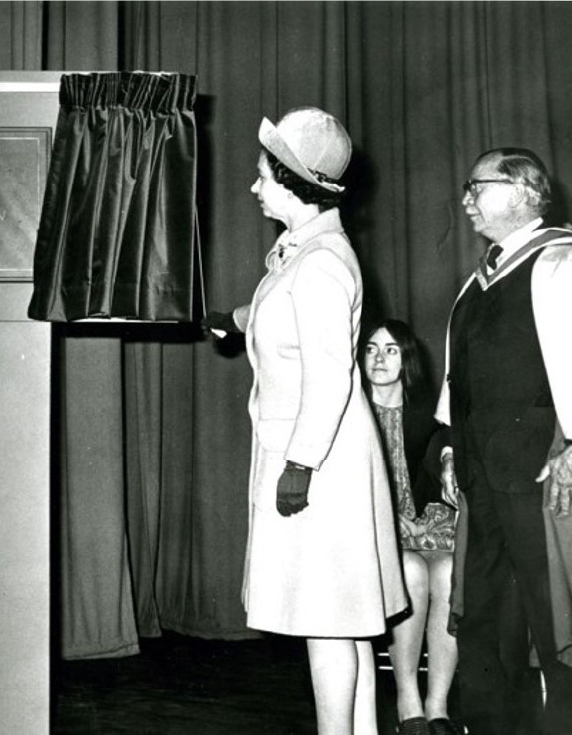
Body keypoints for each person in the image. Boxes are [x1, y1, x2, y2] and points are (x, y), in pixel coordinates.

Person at [203, 107, 407, 735]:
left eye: (263, 175)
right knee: (339, 619)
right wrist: (236, 318)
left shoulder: (319, 262)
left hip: (319, 461)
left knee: (324, 621)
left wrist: (299, 466)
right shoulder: (306, 251)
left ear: (294, 182)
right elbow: (288, 317)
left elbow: (329, 376)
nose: (255, 186)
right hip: (318, 453)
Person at [436, 147, 572, 735]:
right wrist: (447, 447)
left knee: (558, 621)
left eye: (477, 186)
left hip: (543, 481)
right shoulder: (476, 283)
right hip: (482, 483)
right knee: (488, 621)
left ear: (522, 192)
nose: (466, 198)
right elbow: (455, 379)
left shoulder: (560, 264)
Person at [361, 319, 462, 735]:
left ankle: (438, 708)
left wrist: (448, 458)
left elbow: (445, 437)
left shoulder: (423, 409)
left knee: (450, 572)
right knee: (412, 574)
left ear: (406, 360)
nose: (379, 358)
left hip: (425, 519)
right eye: (370, 349)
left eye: (390, 350)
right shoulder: (351, 408)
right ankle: (408, 701)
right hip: (372, 525)